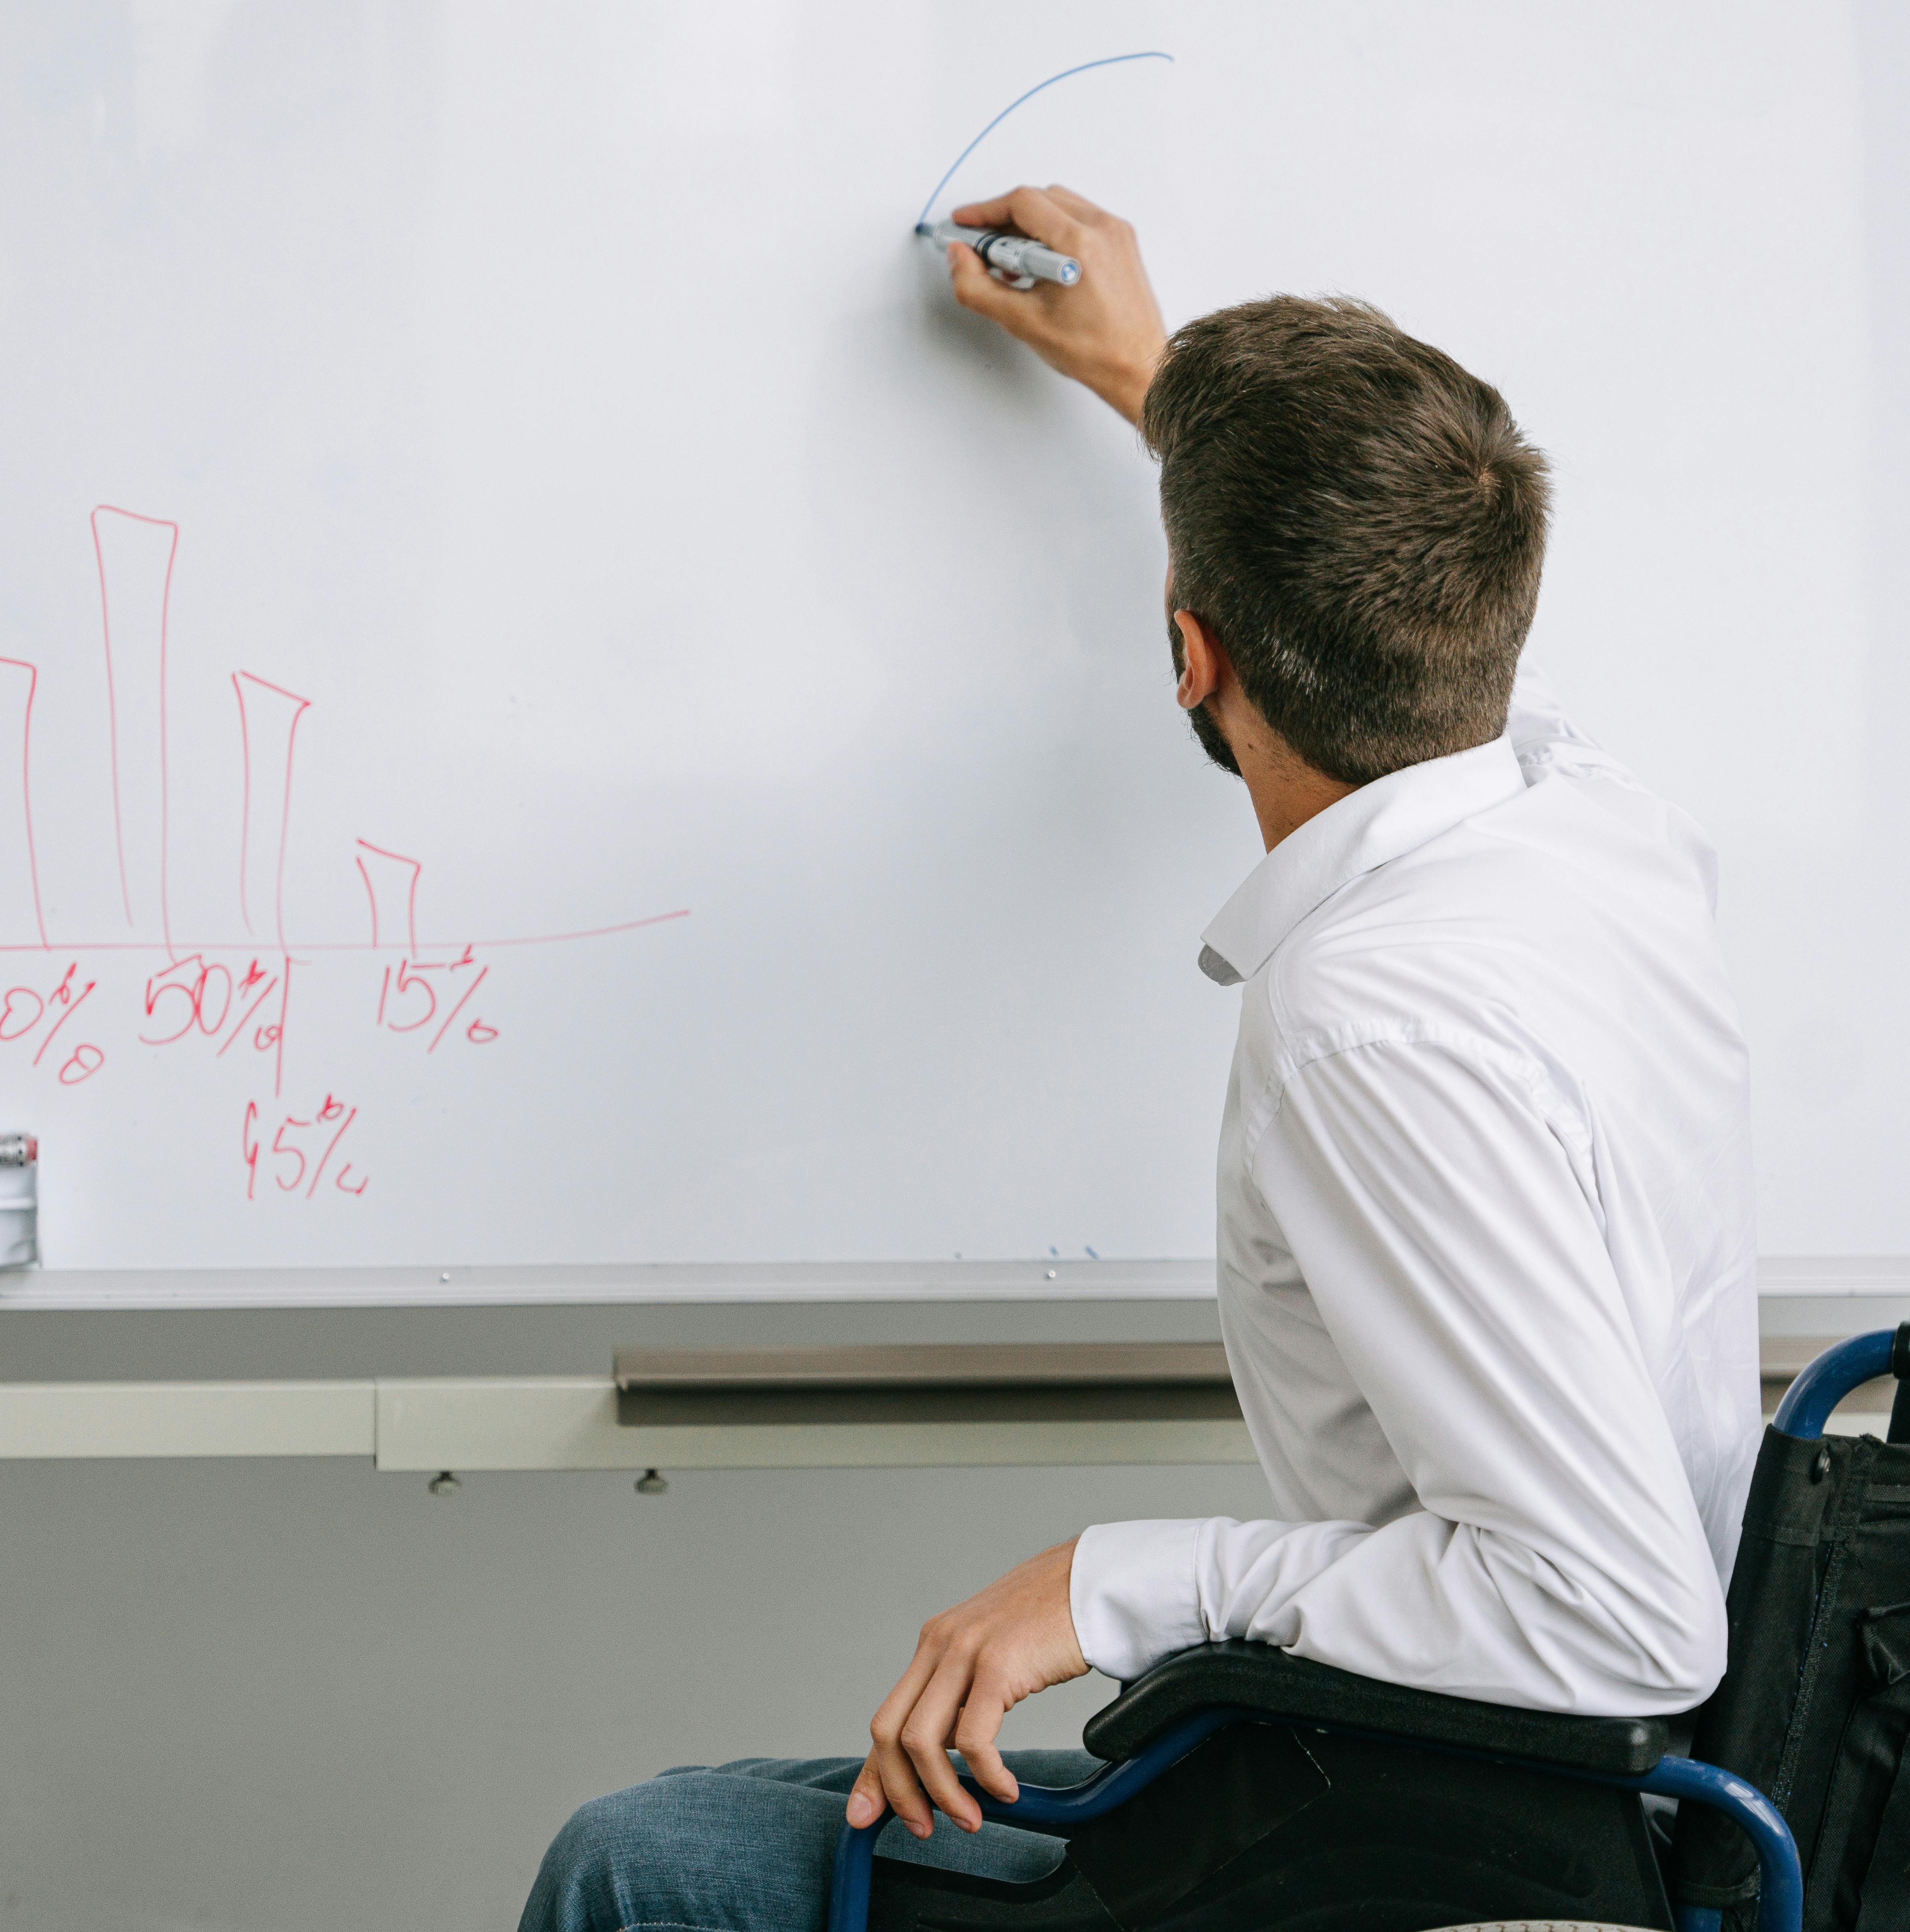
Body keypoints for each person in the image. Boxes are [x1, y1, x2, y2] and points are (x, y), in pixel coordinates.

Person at [523, 186, 1759, 1932]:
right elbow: (1370, 563)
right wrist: (1159, 378)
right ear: (1491, 606)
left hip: (1450, 1820)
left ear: (1191, 654)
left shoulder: (1377, 1022)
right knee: (722, 1819)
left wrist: (1105, 1585)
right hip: (1493, 1766)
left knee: (640, 1865)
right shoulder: (1593, 822)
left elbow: (1615, 1609)